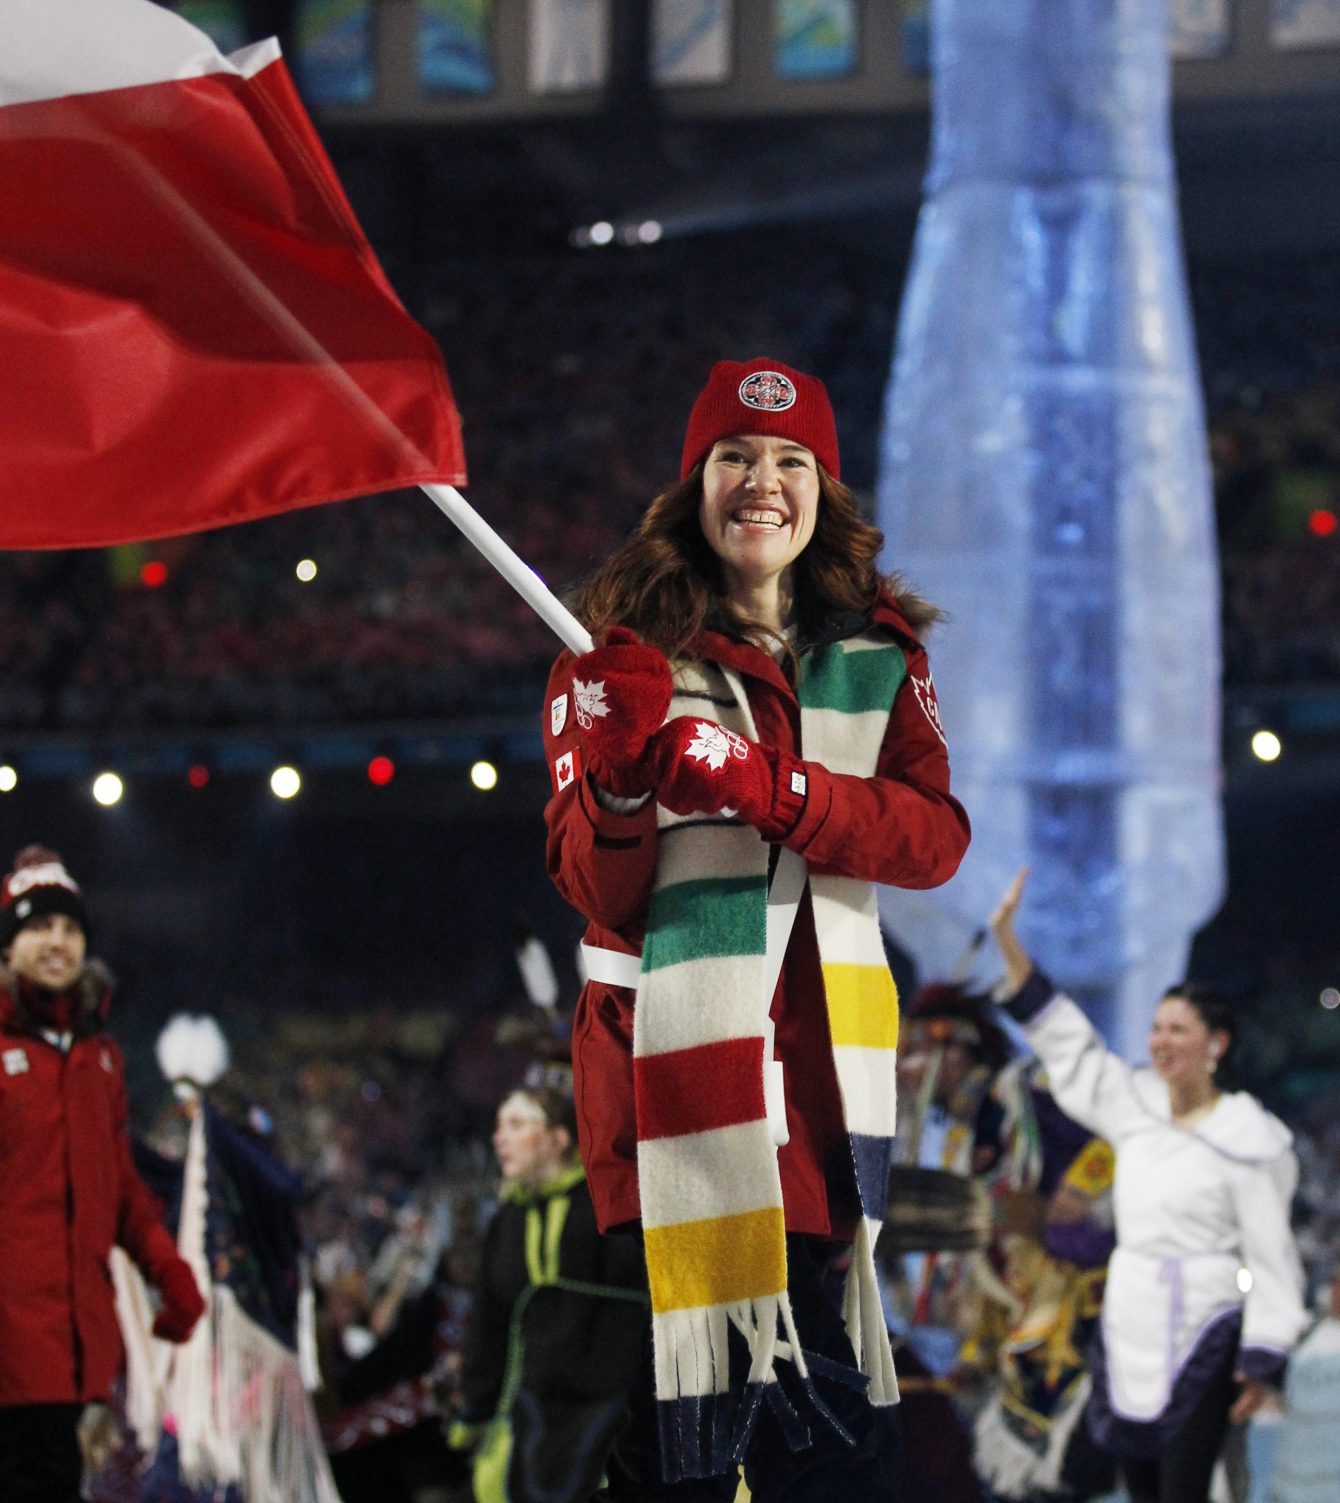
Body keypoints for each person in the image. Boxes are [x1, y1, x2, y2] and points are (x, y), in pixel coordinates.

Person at [542, 356, 971, 1499]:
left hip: (824, 1112)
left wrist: (773, 790)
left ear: (824, 490)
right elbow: (592, 887)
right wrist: (621, 782)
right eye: (735, 456)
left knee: (817, 1451)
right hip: (667, 1107)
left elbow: (933, 839)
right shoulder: (612, 655)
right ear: (693, 484)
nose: (762, 481)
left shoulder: (882, 655)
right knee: (682, 1447)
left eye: (791, 461)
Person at [988, 868, 1308, 1503]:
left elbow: (1273, 1256)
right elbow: (1070, 1046)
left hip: (1207, 1319)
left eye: (1178, 1030)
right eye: (1157, 1028)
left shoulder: (1249, 1138)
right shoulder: (1133, 1101)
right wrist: (1007, 938)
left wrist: (1264, 1356)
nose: (1160, 1041)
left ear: (1215, 1045)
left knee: (1189, 1484)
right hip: (1130, 1316)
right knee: (1142, 1484)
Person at [0, 846, 205, 1503]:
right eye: (37, 927)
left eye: (68, 928)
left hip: (72, 1357)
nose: (56, 941)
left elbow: (118, 1190)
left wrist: (170, 1273)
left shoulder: (102, 1059)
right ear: (8, 947)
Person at [451, 1086, 647, 1503]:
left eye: (518, 1124)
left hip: (611, 1416)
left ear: (559, 1139)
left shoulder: (607, 1208)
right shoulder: (506, 1222)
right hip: (530, 1415)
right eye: (499, 1126)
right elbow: (488, 1324)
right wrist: (475, 1409)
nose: (499, 1137)